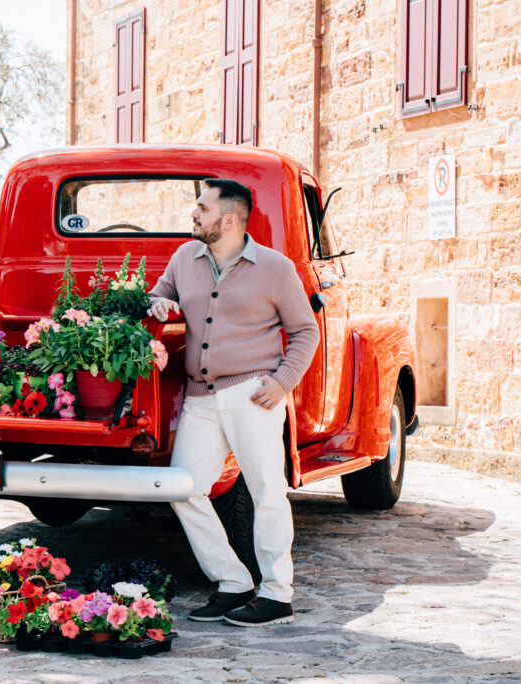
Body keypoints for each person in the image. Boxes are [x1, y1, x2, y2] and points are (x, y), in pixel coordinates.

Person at [147, 178, 320, 626]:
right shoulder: (185, 258)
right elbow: (161, 295)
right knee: (183, 488)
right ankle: (233, 581)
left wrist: (283, 382)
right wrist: (159, 305)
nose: (194, 213)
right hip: (200, 399)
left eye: (201, 208)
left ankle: (278, 593)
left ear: (228, 219)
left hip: (253, 394)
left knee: (267, 492)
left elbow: (306, 331)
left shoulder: (276, 269)